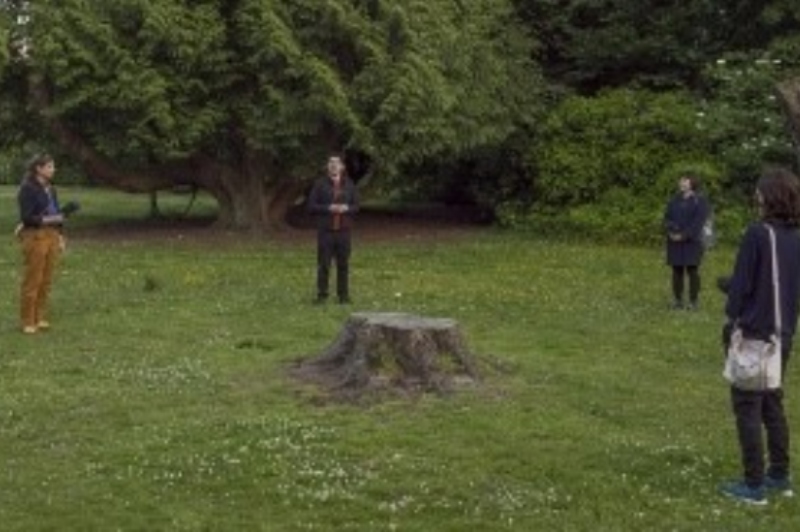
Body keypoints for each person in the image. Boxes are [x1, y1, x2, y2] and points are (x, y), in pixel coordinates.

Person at [719, 167, 800, 505]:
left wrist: (732, 307)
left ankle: (753, 485)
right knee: (772, 401)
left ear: (767, 197)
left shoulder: (757, 234)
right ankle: (779, 473)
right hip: (783, 333)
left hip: (755, 331)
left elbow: (743, 286)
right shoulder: (796, 236)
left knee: (747, 405)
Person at [16, 153, 79, 334]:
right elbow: (27, 218)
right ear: (39, 168)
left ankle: (40, 316)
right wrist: (53, 218)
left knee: (47, 278)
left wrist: (60, 234)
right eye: (50, 166)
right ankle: (28, 320)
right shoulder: (27, 189)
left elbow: (56, 213)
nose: (53, 169)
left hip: (51, 234)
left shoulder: (51, 188)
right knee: (33, 278)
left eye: (53, 166)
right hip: (35, 236)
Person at [307, 154, 359, 304]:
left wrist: (346, 208)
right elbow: (311, 206)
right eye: (330, 162)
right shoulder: (320, 184)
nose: (333, 165)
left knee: (343, 264)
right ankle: (322, 295)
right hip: (326, 231)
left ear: (342, 167)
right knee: (324, 264)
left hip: (344, 231)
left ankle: (343, 296)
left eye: (336, 163)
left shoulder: (349, 185)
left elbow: (356, 206)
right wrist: (328, 208)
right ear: (327, 167)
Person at [663, 174, 710, 310]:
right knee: (676, 271)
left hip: (692, 242)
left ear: (692, 183)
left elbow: (698, 223)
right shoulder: (674, 200)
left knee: (692, 271)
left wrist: (683, 235)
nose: (682, 183)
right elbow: (667, 218)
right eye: (681, 180)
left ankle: (693, 301)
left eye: (685, 181)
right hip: (674, 241)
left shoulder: (700, 201)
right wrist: (671, 230)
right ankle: (677, 300)